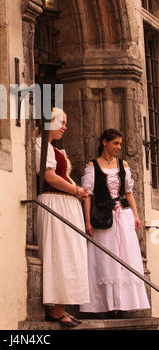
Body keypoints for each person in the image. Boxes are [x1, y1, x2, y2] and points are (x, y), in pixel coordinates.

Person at [80, 129, 150, 316]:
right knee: (105, 259)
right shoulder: (92, 165)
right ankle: (105, 305)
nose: (119, 147)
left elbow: (128, 192)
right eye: (115, 143)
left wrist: (135, 215)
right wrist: (87, 221)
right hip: (103, 218)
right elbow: (87, 195)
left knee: (126, 257)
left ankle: (123, 305)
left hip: (123, 217)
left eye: (120, 143)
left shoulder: (123, 164)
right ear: (105, 142)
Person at [36, 107, 90, 327]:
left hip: (65, 204)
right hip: (55, 203)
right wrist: (76, 191)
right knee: (58, 252)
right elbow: (49, 176)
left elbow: (62, 175)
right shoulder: (41, 145)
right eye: (62, 122)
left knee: (68, 254)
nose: (66, 127)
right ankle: (54, 307)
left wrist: (78, 190)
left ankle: (62, 305)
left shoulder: (53, 148)